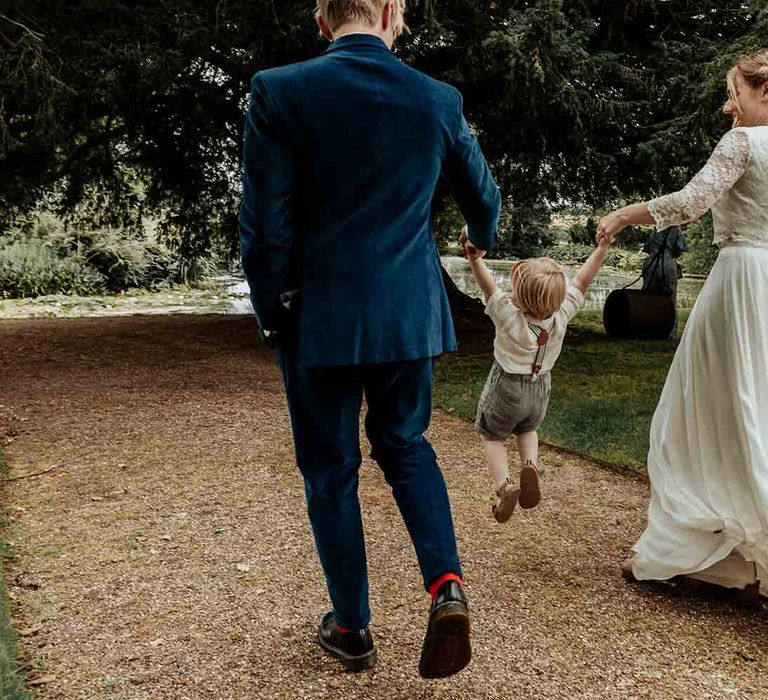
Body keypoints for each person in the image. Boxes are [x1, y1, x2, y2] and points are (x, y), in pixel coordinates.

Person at [239, 0, 502, 678]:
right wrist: (480, 238)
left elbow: (264, 228)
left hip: (317, 317)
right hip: (408, 313)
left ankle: (352, 627)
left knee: (330, 471)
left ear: (322, 21)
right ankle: (446, 585)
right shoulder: (435, 98)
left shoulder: (279, 91)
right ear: (392, 12)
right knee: (405, 444)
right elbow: (485, 202)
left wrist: (273, 313)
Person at [596, 50, 768, 593]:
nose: (728, 106)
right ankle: (741, 562)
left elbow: (692, 202)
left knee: (697, 415)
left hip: (741, 281)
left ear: (763, 92)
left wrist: (623, 214)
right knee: (755, 409)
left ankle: (691, 550)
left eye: (734, 93)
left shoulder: (742, 143)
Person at [460, 229, 611, 521]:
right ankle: (529, 464)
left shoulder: (508, 315)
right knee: (527, 430)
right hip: (540, 388)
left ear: (519, 296)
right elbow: (582, 280)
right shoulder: (562, 315)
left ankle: (504, 486)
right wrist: (602, 248)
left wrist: (475, 259)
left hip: (506, 387)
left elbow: (488, 286)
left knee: (491, 437)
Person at [640, 227, 687, 339]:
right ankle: (669, 333)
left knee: (648, 296)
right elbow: (679, 250)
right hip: (667, 263)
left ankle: (647, 328)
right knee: (670, 298)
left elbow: (648, 248)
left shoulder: (656, 229)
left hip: (651, 263)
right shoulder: (676, 231)